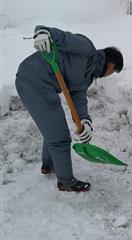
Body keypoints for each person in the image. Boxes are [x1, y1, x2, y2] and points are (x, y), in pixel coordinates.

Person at [15, 26, 123, 192]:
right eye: (113, 72)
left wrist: (85, 120)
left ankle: (48, 164)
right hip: (34, 79)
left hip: (43, 85)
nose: (109, 75)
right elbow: (64, 38)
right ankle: (66, 181)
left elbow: (78, 98)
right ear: (111, 64)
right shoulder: (87, 49)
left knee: (52, 127)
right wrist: (44, 33)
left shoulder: (88, 77)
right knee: (60, 137)